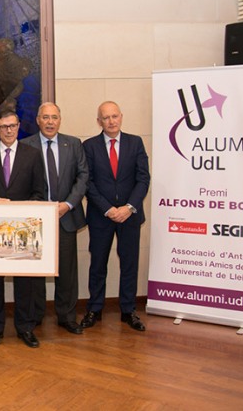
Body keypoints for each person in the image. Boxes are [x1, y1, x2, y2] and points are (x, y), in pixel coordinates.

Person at [0, 109, 46, 348]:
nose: (9, 130)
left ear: (18, 126)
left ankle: (25, 327)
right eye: (3, 126)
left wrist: (18, 208)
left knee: (24, 281)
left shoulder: (32, 155)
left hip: (23, 227)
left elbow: (39, 192)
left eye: (13, 125)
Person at [80, 101, 150, 332]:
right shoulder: (89, 146)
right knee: (98, 264)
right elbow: (87, 182)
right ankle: (94, 309)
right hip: (101, 216)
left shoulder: (135, 142)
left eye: (114, 116)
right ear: (99, 121)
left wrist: (129, 207)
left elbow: (143, 178)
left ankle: (128, 310)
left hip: (130, 216)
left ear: (121, 117)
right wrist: (108, 209)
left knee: (129, 264)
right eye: (106, 118)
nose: (111, 121)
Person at [21, 102, 89, 335]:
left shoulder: (74, 144)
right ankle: (36, 314)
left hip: (65, 216)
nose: (50, 122)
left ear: (60, 120)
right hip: (36, 220)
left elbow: (83, 176)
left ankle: (67, 317)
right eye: (45, 117)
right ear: (38, 120)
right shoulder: (25, 145)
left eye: (54, 117)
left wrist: (67, 204)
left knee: (66, 271)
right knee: (36, 270)